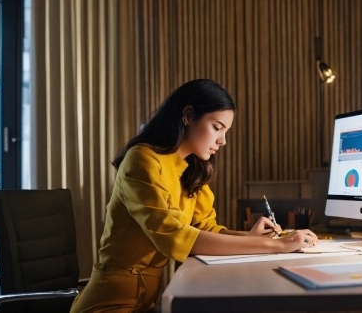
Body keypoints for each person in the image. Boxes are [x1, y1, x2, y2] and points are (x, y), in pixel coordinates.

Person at [70, 79, 318, 312]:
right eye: (216, 128)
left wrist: (249, 236)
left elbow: (205, 228)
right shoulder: (143, 158)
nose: (222, 141)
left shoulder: (193, 169)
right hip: (109, 300)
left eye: (226, 131)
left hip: (146, 301)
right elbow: (175, 236)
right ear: (188, 116)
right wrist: (277, 245)